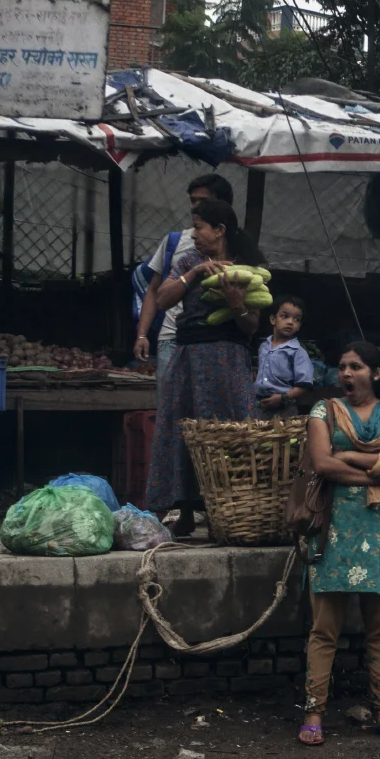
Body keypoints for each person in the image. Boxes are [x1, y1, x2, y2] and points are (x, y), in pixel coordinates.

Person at [299, 342, 380, 746]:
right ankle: (313, 712)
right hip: (332, 525)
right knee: (324, 628)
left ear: (376, 373)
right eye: (342, 367)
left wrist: (347, 456)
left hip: (379, 526)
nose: (346, 374)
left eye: (356, 366)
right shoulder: (325, 410)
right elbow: (321, 463)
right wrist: (378, 469)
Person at [145, 199, 267, 536]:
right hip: (189, 360)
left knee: (227, 435)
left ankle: (222, 513)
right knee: (184, 432)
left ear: (219, 230)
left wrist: (236, 304)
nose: (194, 234)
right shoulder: (187, 261)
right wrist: (196, 274)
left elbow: (251, 325)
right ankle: (185, 510)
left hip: (228, 362)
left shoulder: (247, 268)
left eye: (199, 227)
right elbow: (163, 299)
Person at [133, 173, 233, 382]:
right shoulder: (175, 241)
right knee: (170, 400)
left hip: (216, 339)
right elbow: (154, 290)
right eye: (192, 200)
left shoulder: (237, 247)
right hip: (172, 336)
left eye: (202, 201)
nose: (195, 206)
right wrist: (142, 335)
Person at [254, 297, 312, 416]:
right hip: (260, 405)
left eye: (296, 319)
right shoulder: (263, 346)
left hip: (285, 407)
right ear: (273, 319)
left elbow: (304, 385)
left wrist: (283, 398)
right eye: (285, 316)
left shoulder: (298, 352)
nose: (290, 322)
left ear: (299, 326)